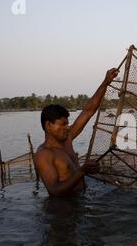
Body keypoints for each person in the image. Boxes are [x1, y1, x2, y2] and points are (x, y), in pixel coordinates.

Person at [35, 68, 118, 197]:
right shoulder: (43, 154)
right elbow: (54, 191)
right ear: (48, 125)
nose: (67, 127)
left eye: (67, 124)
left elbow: (88, 111)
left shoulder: (67, 139)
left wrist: (105, 83)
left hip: (82, 199)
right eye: (63, 124)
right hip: (63, 211)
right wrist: (82, 171)